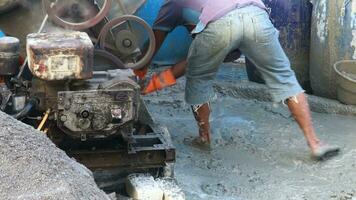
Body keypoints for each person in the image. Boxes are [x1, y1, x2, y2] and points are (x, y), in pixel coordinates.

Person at [137, 0, 340, 160]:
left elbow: (152, 46)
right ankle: (315, 144)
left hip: (221, 26)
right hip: (257, 17)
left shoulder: (173, 3)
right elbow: (191, 60)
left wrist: (140, 78)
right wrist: (155, 83)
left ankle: (204, 138)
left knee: (198, 81)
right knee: (285, 78)